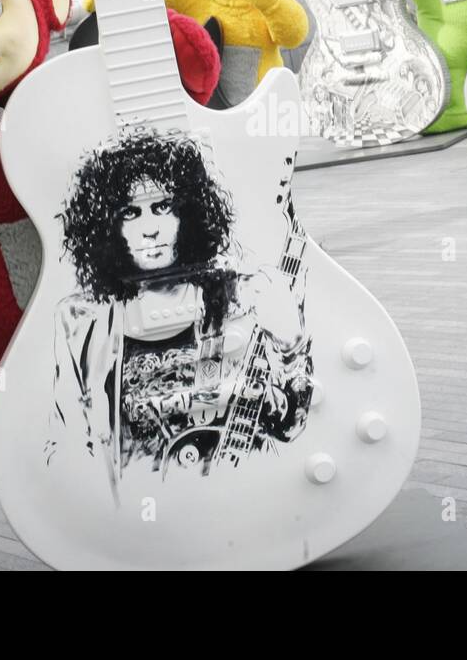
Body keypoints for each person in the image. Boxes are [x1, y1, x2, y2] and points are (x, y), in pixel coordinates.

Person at [51, 130, 313, 481]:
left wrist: (292, 349)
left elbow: (290, 427)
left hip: (237, 495)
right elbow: (66, 440)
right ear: (106, 225)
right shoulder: (80, 321)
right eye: (130, 213)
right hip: (132, 513)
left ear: (188, 213)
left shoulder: (246, 297)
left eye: (163, 207)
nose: (150, 230)